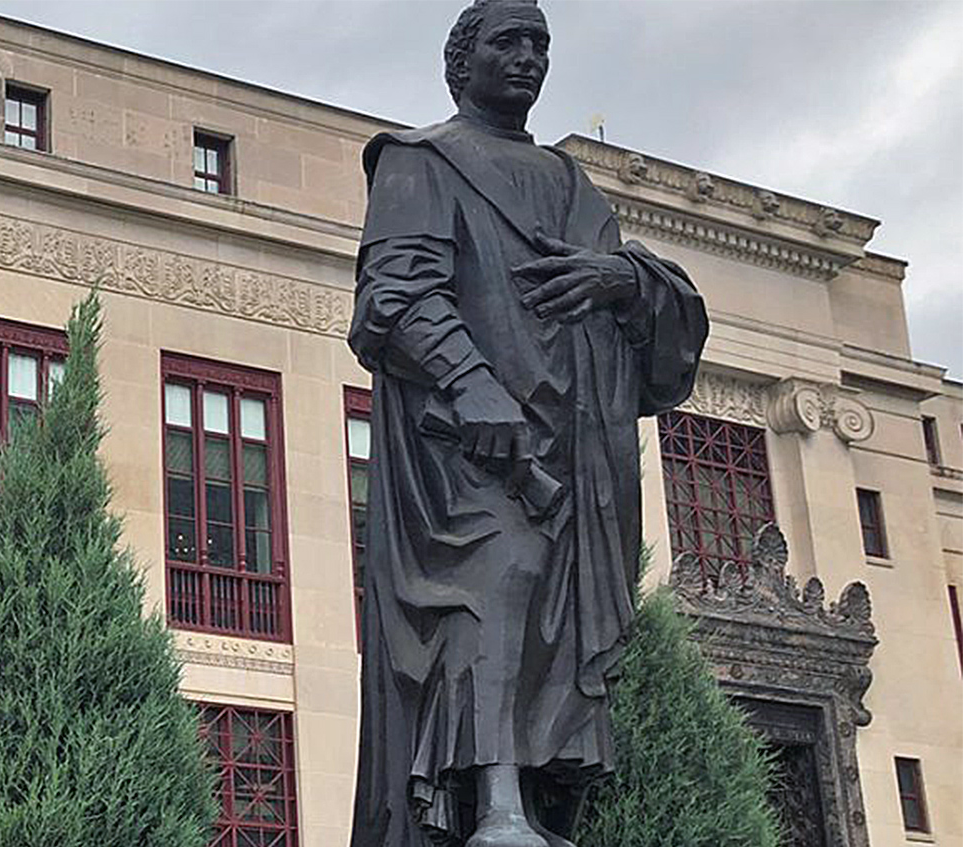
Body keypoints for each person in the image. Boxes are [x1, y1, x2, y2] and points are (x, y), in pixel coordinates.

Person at [346, 2, 709, 846]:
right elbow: (393, 298)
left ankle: (539, 808)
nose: (530, 58)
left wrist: (622, 277)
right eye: (509, 41)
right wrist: (472, 384)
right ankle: (497, 808)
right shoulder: (420, 161)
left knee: (557, 615)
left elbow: (663, 333)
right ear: (462, 61)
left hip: (575, 451)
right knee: (490, 590)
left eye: (541, 44)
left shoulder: (573, 184)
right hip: (470, 449)